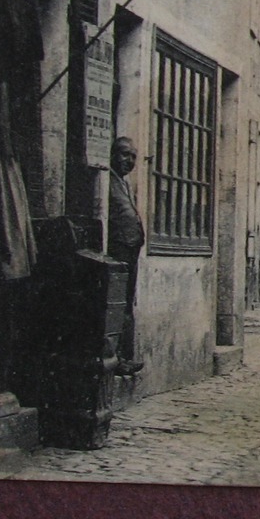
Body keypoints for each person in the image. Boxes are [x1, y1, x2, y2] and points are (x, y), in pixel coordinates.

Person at [106, 136, 146, 376]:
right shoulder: (108, 181)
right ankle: (116, 358)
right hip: (118, 250)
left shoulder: (124, 183)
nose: (129, 160)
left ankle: (124, 357)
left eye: (133, 156)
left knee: (126, 303)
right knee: (116, 304)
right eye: (124, 154)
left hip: (130, 250)